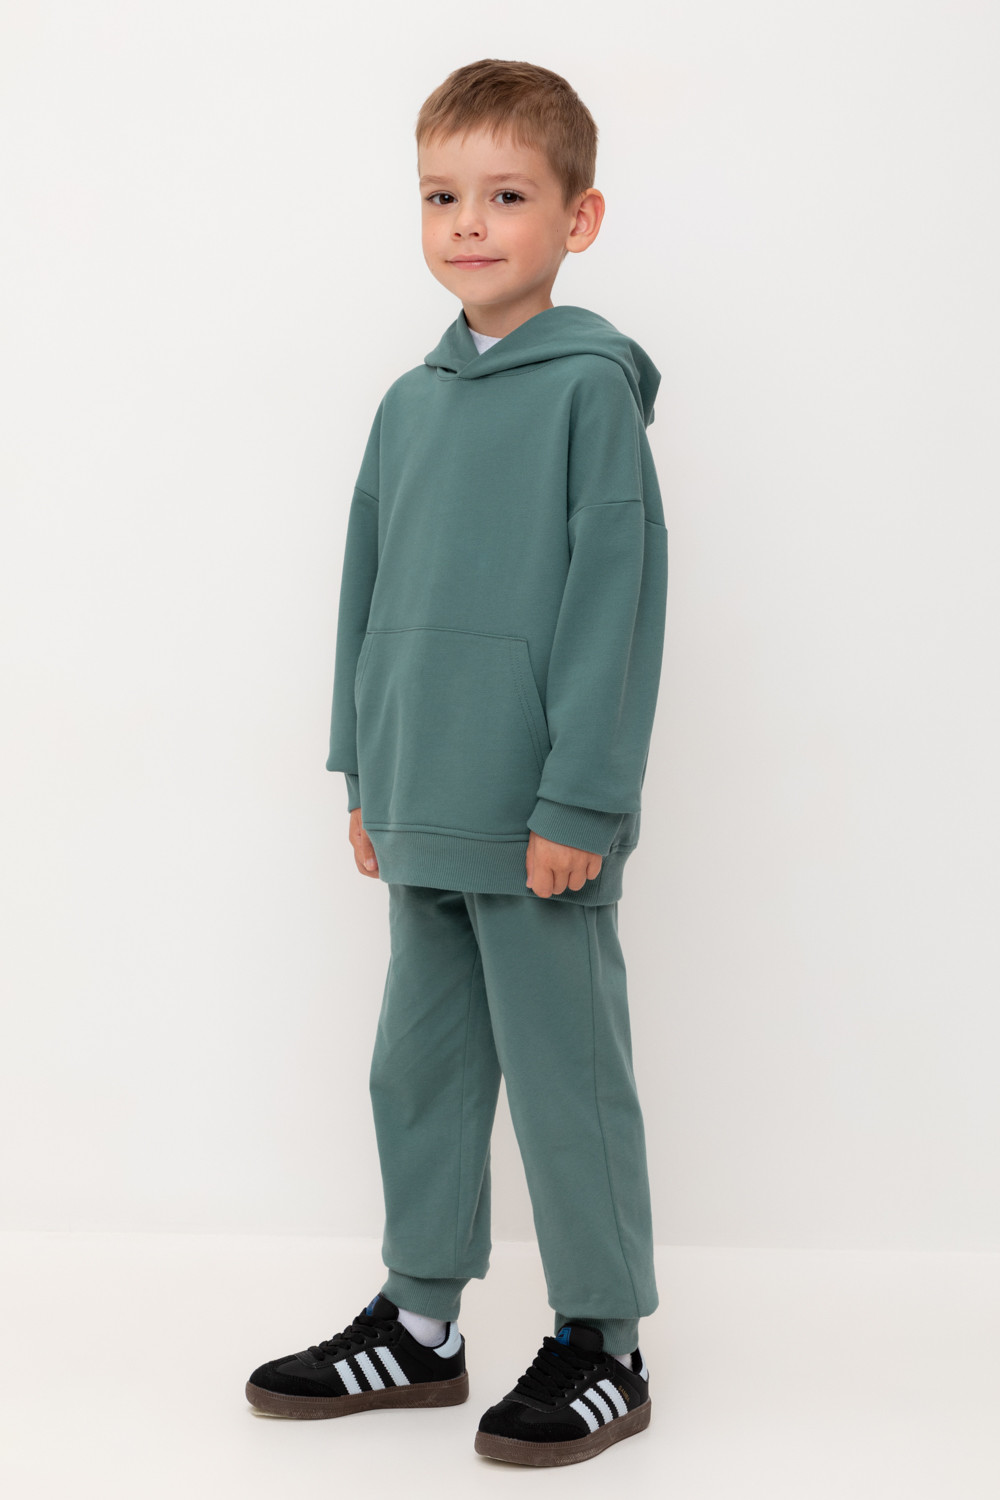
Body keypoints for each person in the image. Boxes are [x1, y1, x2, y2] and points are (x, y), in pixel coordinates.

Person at [245, 57, 668, 1468]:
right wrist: (360, 770)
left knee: (567, 1082)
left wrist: (583, 797)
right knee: (416, 1072)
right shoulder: (407, 404)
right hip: (420, 794)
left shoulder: (589, 394)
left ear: (578, 218)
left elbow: (614, 611)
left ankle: (604, 1341)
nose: (469, 224)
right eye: (442, 197)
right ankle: (420, 1322)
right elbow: (365, 594)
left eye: (506, 196)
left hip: (539, 815)